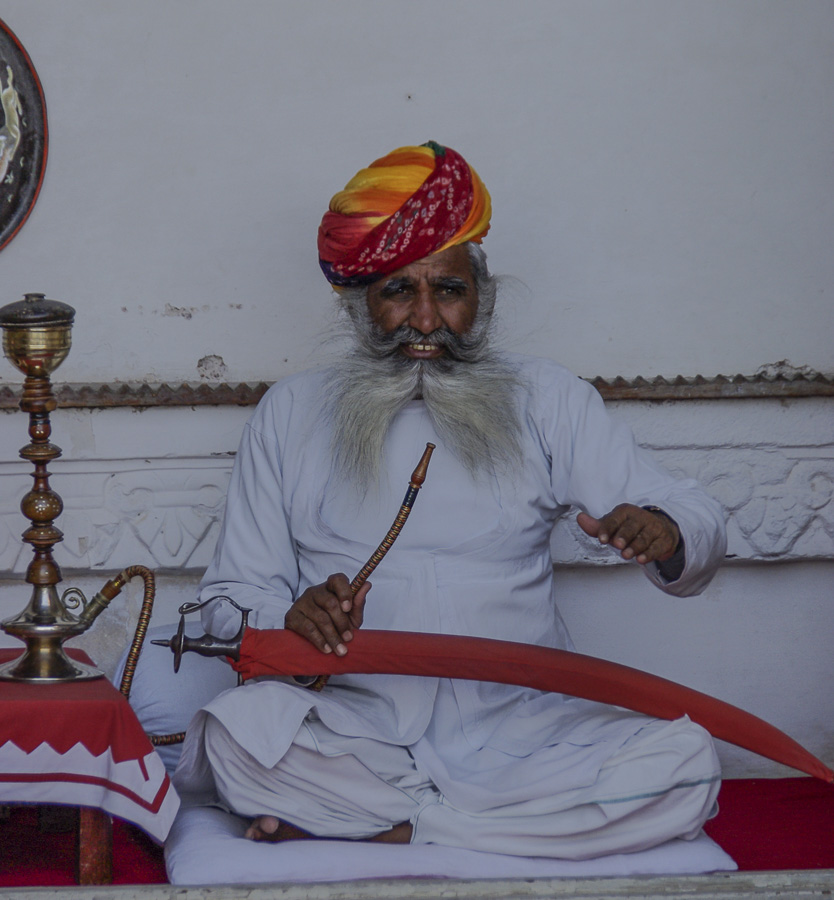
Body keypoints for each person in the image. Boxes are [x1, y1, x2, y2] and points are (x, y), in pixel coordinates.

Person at [174, 141, 727, 860]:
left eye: (450, 291)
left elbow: (696, 516)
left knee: (686, 767)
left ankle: (403, 831)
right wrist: (290, 618)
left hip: (523, 729)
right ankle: (486, 836)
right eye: (398, 291)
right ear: (359, 304)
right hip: (354, 727)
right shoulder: (291, 413)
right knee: (231, 735)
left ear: (481, 298)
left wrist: (665, 530)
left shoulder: (546, 398)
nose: (426, 320)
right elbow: (228, 600)